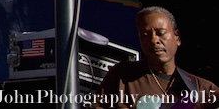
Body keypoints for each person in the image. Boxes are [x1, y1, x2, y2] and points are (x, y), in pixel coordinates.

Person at [90, 6, 219, 109]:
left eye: (160, 33)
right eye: (145, 35)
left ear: (177, 38)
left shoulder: (203, 88)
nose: (153, 40)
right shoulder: (122, 75)